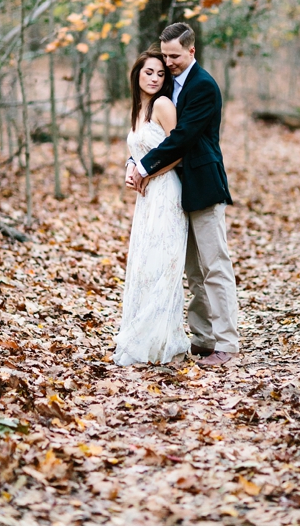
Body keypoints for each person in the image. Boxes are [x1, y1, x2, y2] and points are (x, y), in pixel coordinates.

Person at [126, 23, 239, 368]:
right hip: (174, 192)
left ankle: (227, 343)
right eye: (165, 55)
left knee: (214, 266)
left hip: (202, 185)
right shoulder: (170, 84)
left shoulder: (203, 86)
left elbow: (183, 137)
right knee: (191, 269)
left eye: (174, 56)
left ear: (192, 51)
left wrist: (143, 168)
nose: (169, 62)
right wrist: (134, 162)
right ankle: (203, 339)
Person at [113, 50, 190, 365]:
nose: (155, 78)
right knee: (145, 265)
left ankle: (161, 341)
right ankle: (143, 336)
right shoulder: (139, 108)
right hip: (146, 199)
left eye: (161, 74)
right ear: (137, 74)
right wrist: (130, 169)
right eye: (149, 72)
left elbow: (179, 150)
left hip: (166, 192)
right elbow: (139, 150)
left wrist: (147, 172)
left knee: (161, 265)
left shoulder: (162, 105)